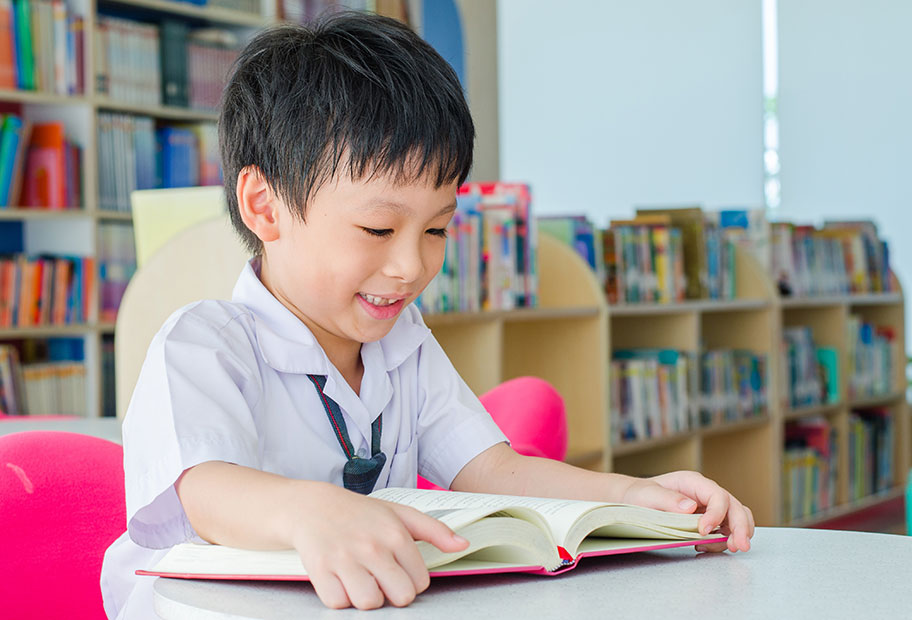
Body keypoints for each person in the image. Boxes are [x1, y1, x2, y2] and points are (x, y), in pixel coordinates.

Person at [101, 12, 754, 617]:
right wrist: (312, 514)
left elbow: (492, 470)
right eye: (379, 229)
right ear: (265, 206)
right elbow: (205, 488)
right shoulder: (204, 344)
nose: (412, 266)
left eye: (437, 229)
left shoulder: (403, 342)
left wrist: (628, 497)